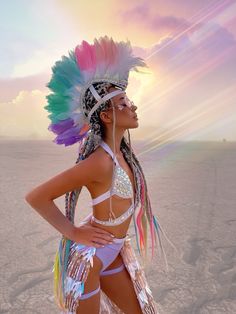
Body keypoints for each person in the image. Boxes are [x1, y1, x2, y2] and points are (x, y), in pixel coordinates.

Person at [25, 36, 177, 314]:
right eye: (123, 104)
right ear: (106, 117)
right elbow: (37, 197)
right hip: (89, 261)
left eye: (129, 101)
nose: (133, 107)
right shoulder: (100, 162)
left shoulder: (124, 156)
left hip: (113, 251)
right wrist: (73, 232)